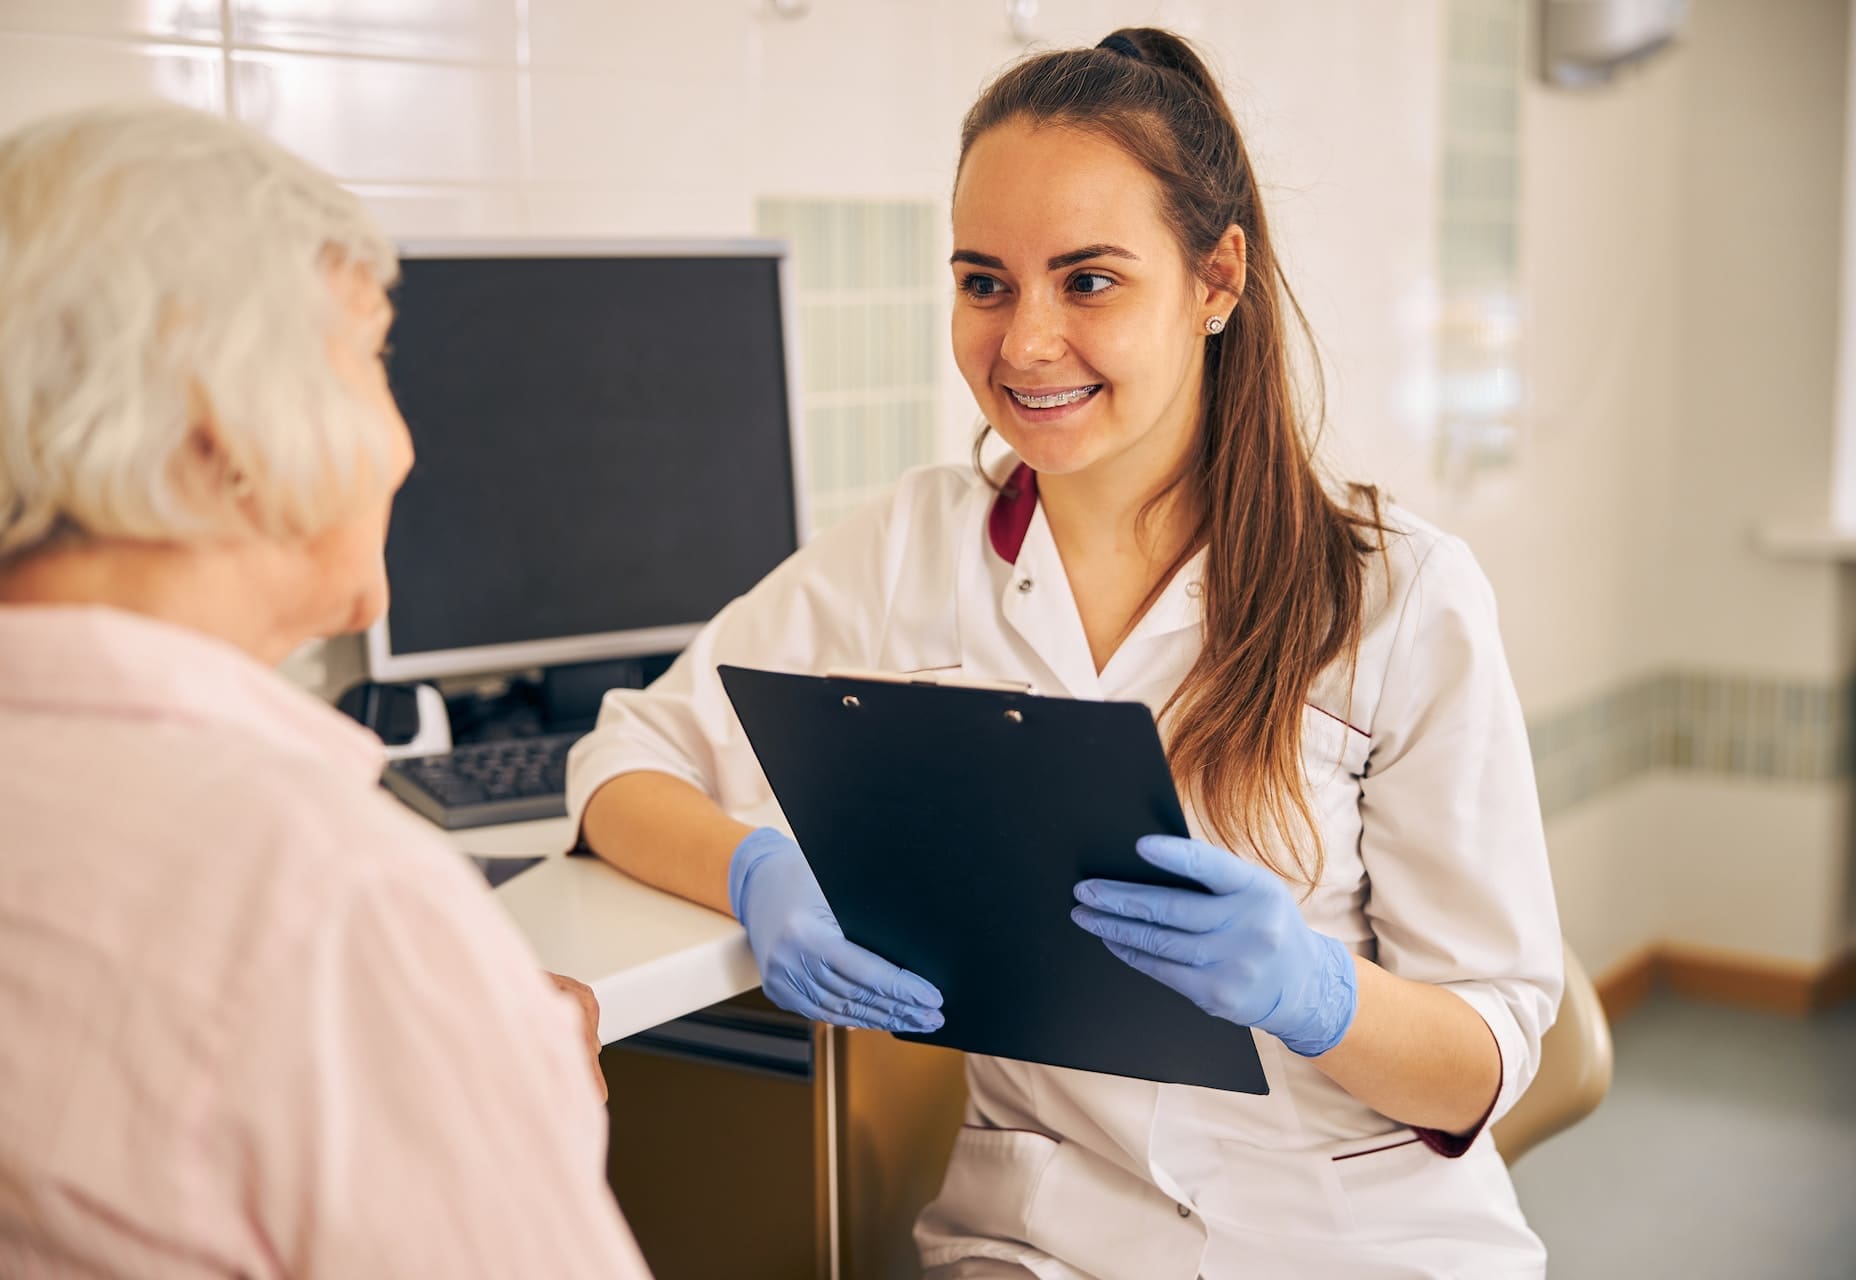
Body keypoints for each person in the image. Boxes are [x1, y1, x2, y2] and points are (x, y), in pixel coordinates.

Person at [569, 26, 1562, 1280]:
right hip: (1046, 1240)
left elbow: (1490, 1047)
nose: (1025, 342)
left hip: (1355, 1237)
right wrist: (759, 870)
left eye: (1088, 281)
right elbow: (621, 762)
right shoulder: (913, 550)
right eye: (985, 282)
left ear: (1217, 281)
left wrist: (1313, 990)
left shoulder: (1395, 594)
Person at [0, 104, 650, 1279]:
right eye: (371, 359)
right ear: (227, 421)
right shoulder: (326, 899)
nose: (405, 444)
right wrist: (509, 1096)